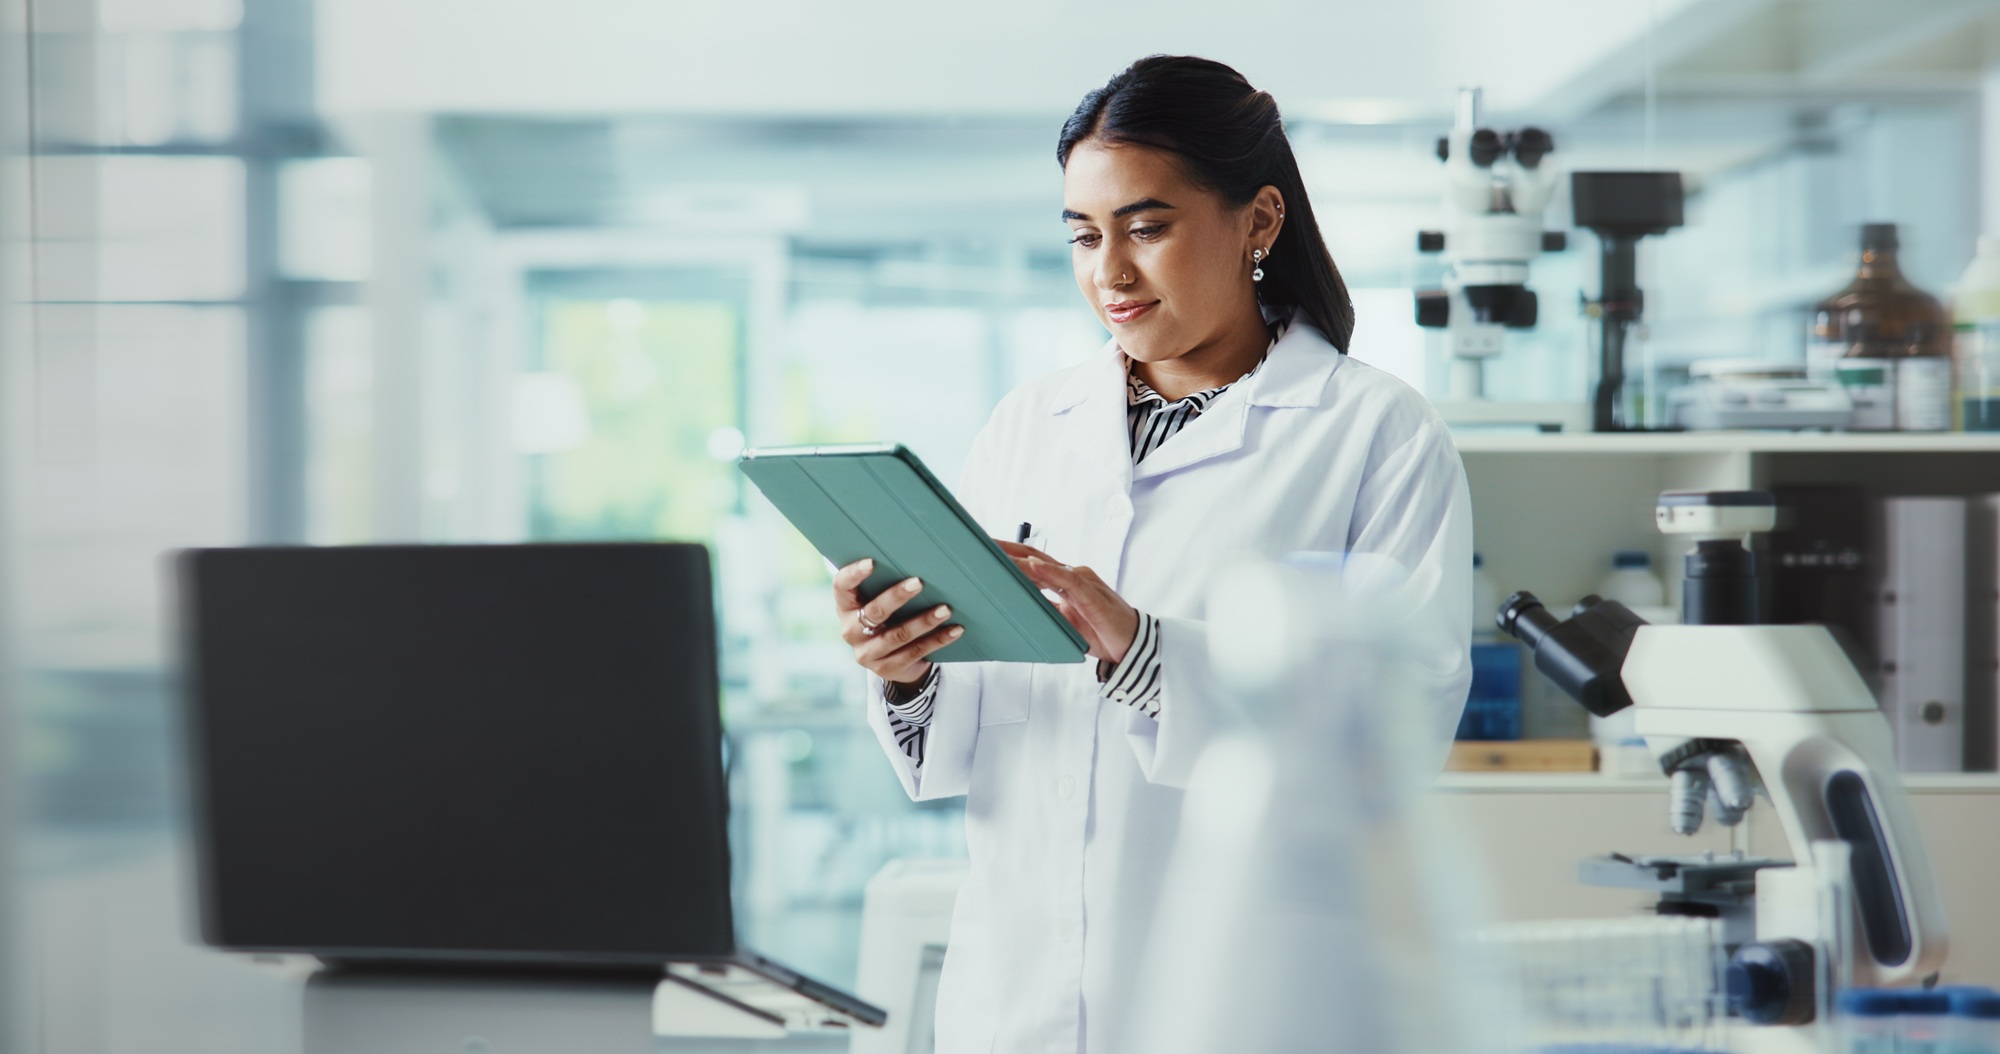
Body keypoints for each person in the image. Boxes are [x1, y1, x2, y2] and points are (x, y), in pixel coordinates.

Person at [829, 55, 1473, 1054]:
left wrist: (1146, 655)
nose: (1109, 271)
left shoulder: (1372, 432)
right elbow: (971, 735)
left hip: (1242, 1000)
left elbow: (1399, 729)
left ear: (1258, 221)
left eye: (1147, 225)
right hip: (1014, 1000)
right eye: (1084, 235)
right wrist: (906, 668)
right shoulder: (1027, 424)